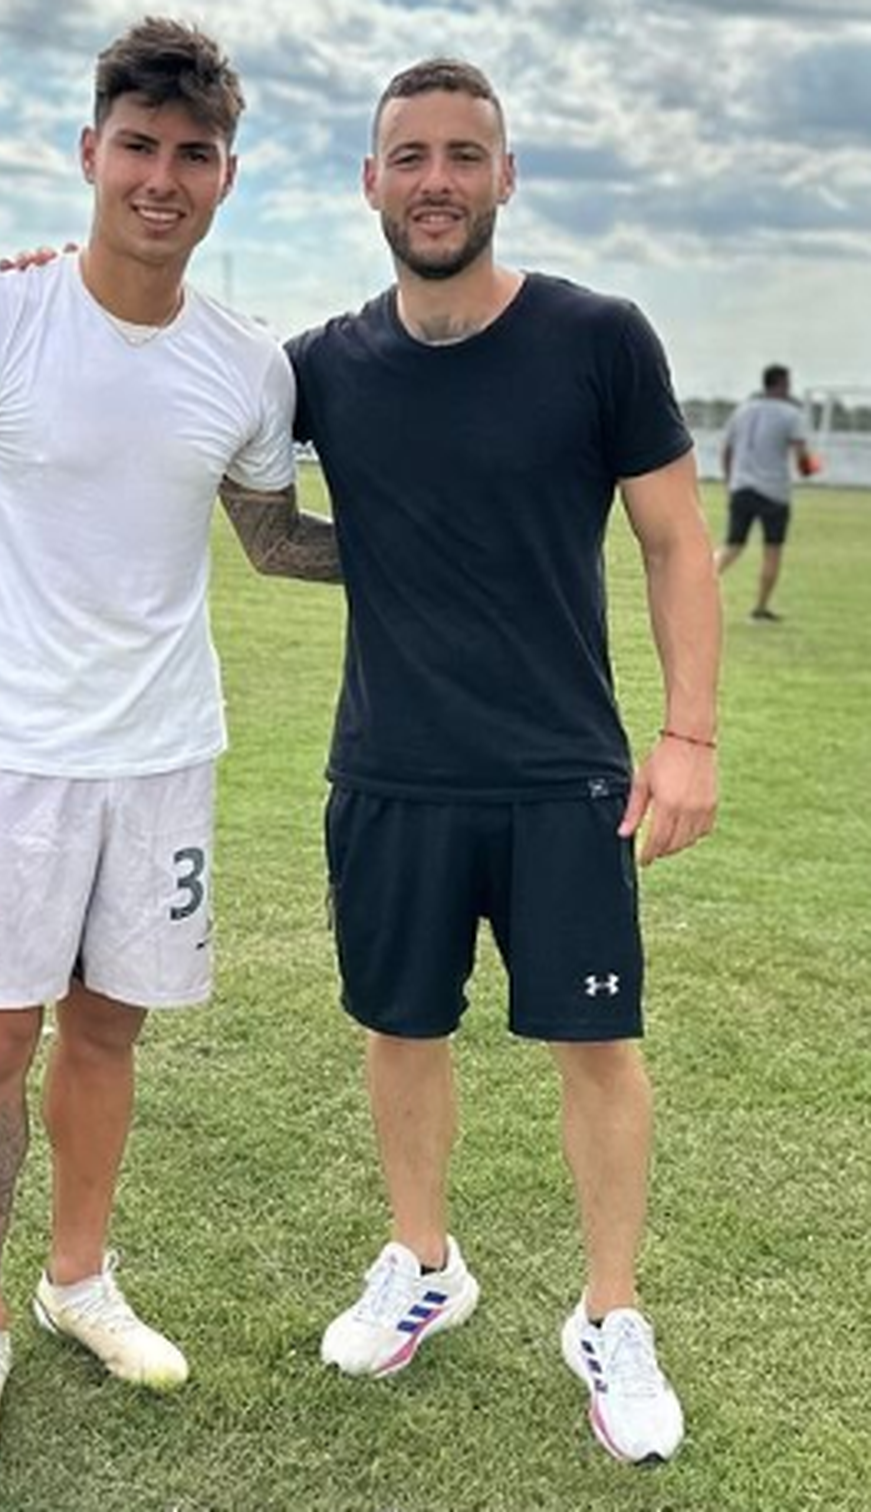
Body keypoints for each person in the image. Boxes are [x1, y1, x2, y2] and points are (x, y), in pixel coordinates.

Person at [0, 18, 337, 1486]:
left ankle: (77, 1279)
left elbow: (271, 542)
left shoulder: (248, 367)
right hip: (10, 758)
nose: (162, 178)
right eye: (138, 147)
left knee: (112, 1028)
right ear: (90, 152)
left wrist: (452, 540)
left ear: (227, 176)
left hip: (163, 757)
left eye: (193, 156)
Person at [286, 60, 720, 1466]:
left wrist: (689, 735)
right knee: (400, 1029)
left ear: (506, 176)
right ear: (370, 182)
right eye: (408, 155)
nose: (436, 180)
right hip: (392, 773)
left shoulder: (600, 339)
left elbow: (673, 542)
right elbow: (173, 387)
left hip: (562, 777)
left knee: (598, 1044)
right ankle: (425, 1262)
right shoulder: (325, 365)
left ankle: (610, 1314)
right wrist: (61, 284)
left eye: (464, 154)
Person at [715, 363, 813, 621]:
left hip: (741, 487)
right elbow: (802, 459)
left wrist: (730, 481)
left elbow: (726, 450)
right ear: (781, 383)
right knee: (772, 550)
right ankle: (760, 608)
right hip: (774, 492)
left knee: (732, 546)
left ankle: (693, 590)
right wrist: (809, 467)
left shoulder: (743, 410)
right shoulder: (792, 414)